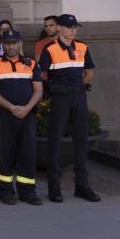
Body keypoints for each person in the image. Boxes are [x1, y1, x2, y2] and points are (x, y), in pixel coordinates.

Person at [39, 13, 100, 203]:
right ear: (59, 28)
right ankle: (54, 187)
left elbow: (90, 72)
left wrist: (79, 85)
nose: (73, 30)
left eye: (75, 28)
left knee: (81, 141)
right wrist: (55, 90)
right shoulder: (50, 48)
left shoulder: (82, 47)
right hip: (60, 98)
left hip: (79, 96)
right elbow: (41, 75)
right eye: (69, 27)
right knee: (55, 140)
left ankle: (82, 186)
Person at [0, 31, 43, 205]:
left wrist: (27, 108)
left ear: (20, 43)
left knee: (27, 153)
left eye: (14, 43)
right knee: (4, 153)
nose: (11, 46)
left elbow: (38, 90)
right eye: (7, 43)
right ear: (2, 44)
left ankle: (27, 191)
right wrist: (12, 108)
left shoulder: (31, 63)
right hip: (5, 115)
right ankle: (5, 191)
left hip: (26, 115)